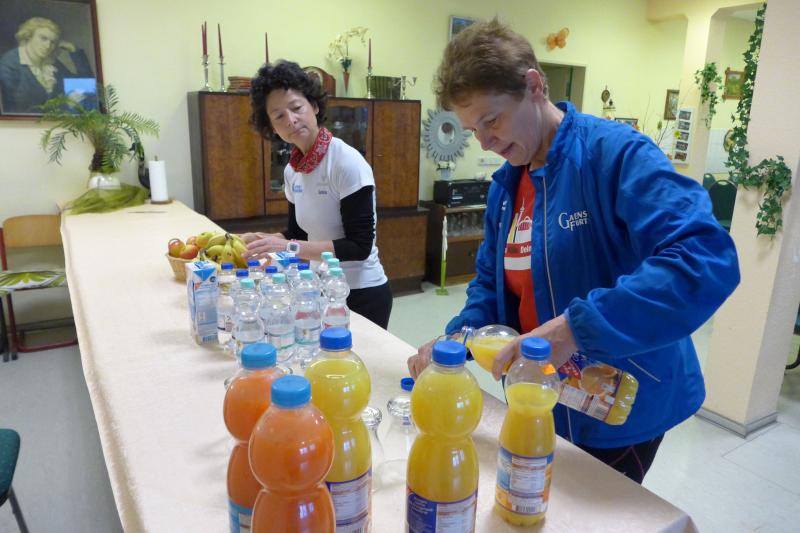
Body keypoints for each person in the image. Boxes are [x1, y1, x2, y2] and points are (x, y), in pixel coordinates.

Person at [407, 19, 740, 484]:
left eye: (492, 120)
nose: (484, 141)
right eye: (471, 129)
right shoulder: (506, 187)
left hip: (618, 404)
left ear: (534, 85)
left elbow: (706, 257)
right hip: (543, 396)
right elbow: (491, 286)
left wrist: (576, 328)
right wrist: (457, 337)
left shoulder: (615, 155)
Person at [242, 60, 393, 329]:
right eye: (278, 116)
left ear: (314, 106)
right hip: (320, 288)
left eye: (296, 108)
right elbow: (297, 234)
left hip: (362, 294)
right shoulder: (293, 170)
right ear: (272, 127)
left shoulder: (346, 162)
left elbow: (359, 247)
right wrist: (263, 240)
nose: (291, 120)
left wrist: (286, 247)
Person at [0, 17, 94, 114]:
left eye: (52, 42)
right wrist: (65, 105)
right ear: (28, 36)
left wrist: (74, 51)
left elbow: (86, 84)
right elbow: (14, 109)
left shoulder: (50, 63)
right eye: (43, 38)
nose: (48, 46)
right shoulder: (9, 64)